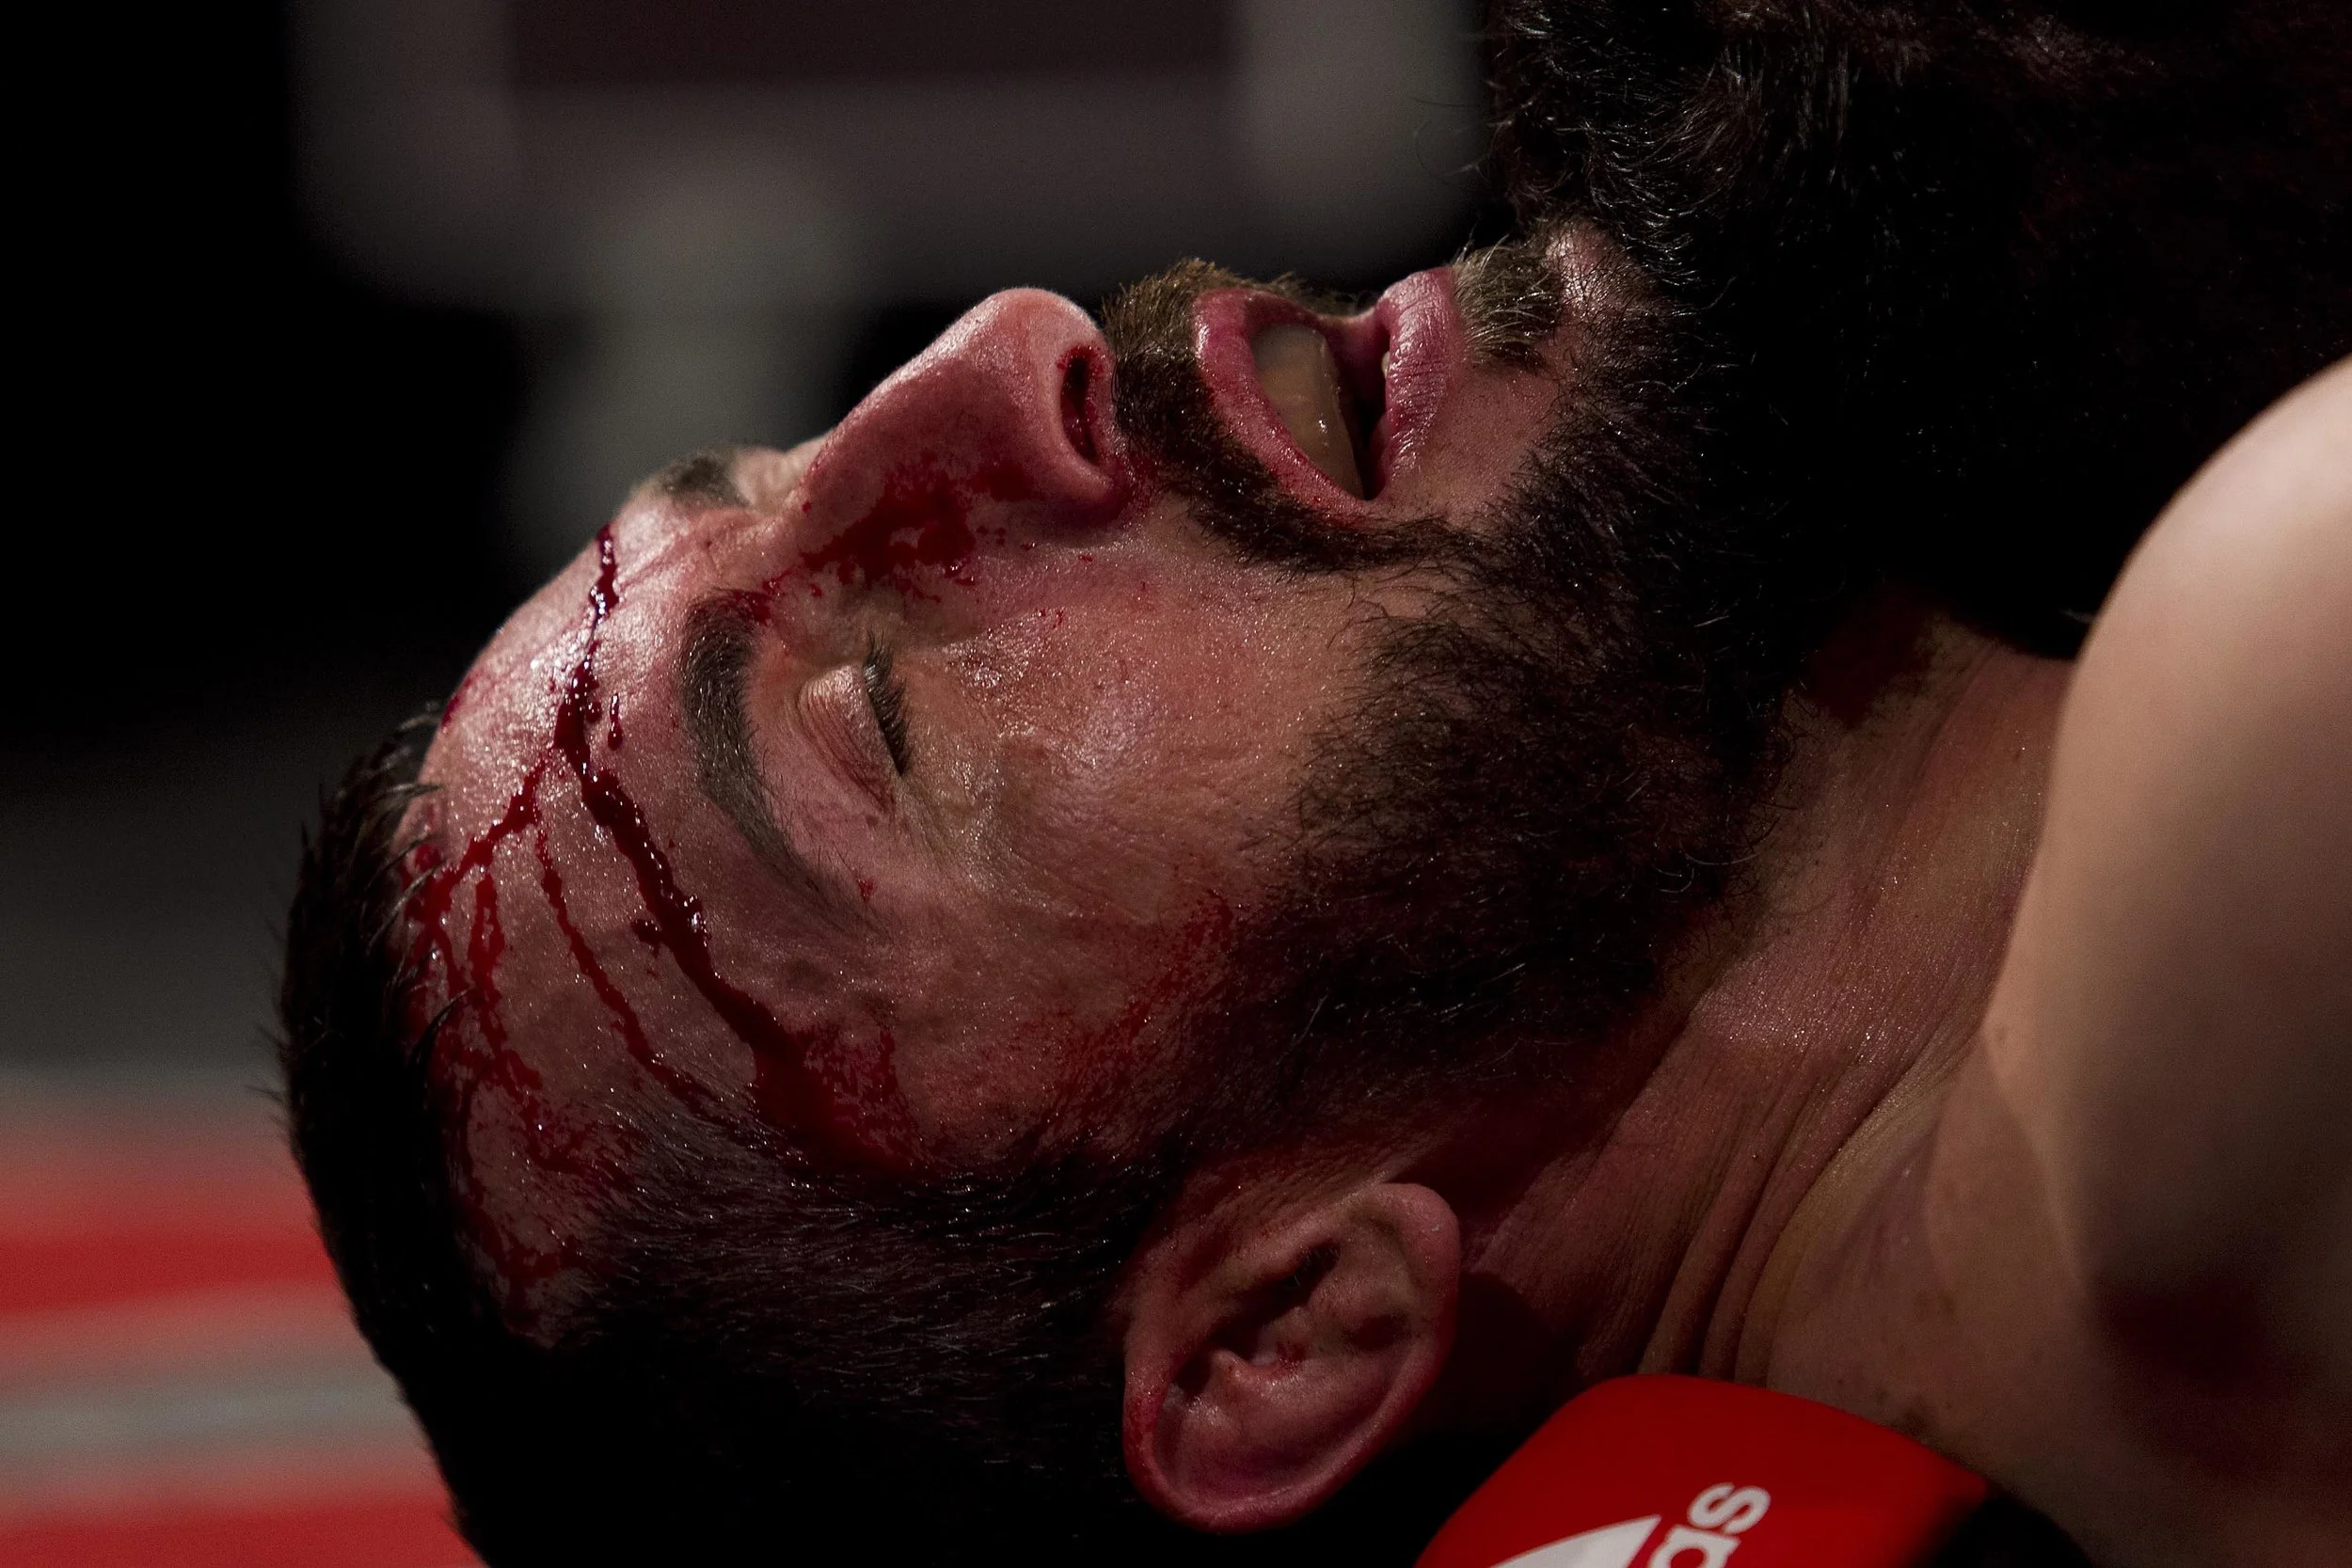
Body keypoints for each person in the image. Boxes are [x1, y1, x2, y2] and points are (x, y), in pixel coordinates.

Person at [278, 2, 2350, 1563]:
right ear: (1287, 1325)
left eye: (807, 443)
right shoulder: (2251, 778)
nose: (999, 350)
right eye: (877, 717)